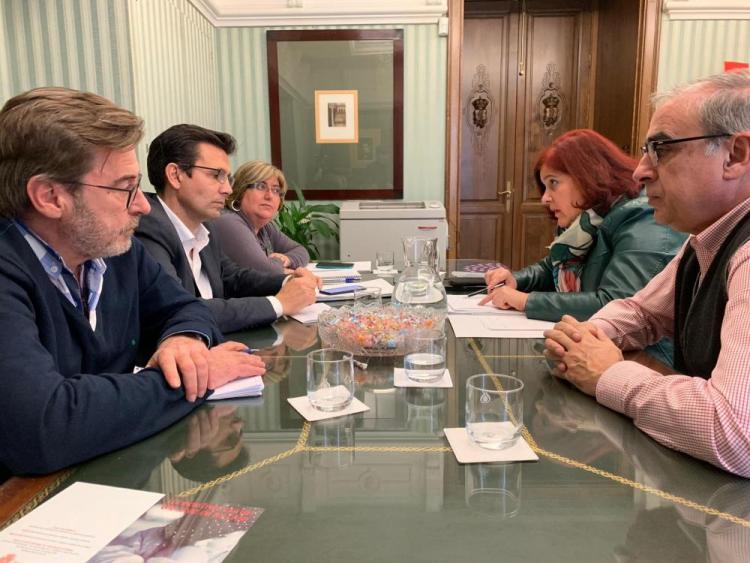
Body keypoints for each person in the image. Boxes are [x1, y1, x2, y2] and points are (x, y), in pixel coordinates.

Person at [0, 88, 265, 478]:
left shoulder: (116, 251)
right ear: (50, 196)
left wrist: (186, 341)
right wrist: (197, 376)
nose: (142, 204)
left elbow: (187, 308)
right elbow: (42, 427)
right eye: (125, 188)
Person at [543, 69, 750, 477]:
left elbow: (735, 432)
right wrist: (582, 341)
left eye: (661, 149)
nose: (639, 171)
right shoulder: (706, 239)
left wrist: (608, 373)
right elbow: (642, 313)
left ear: (735, 155)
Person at [481, 129, 685, 323]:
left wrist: (525, 301)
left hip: (648, 357)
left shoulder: (643, 219)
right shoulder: (588, 221)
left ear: (588, 176)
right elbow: (553, 266)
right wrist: (516, 280)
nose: (544, 198)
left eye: (553, 183)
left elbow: (617, 304)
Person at [135, 124, 320, 333]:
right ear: (175, 175)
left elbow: (233, 278)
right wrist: (279, 304)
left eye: (227, 178)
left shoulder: (205, 228)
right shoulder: (147, 229)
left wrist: (287, 281)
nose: (228, 189)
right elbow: (178, 310)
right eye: (216, 176)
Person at [211, 160, 309, 274]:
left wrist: (288, 259)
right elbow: (266, 271)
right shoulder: (228, 221)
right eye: (261, 186)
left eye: (276, 190)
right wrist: (278, 265)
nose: (269, 196)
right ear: (240, 190)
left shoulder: (265, 228)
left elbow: (301, 251)